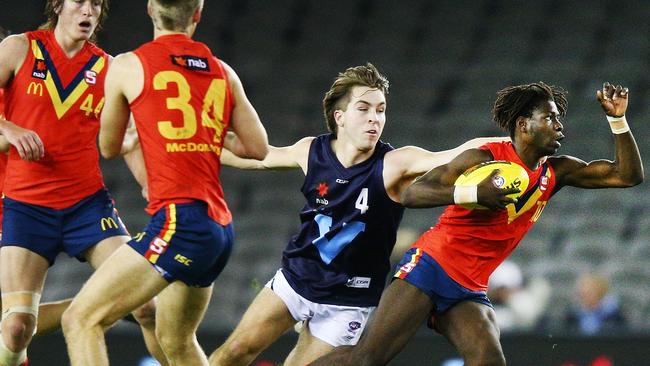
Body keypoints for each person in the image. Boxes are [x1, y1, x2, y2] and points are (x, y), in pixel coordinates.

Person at [309, 81, 643, 365]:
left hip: (470, 285)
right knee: (367, 359)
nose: (560, 127)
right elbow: (412, 193)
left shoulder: (557, 171)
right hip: (431, 266)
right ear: (524, 124)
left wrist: (618, 122)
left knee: (489, 361)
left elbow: (628, 176)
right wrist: (472, 192)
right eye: (551, 118)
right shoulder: (484, 157)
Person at [209, 63, 508, 366]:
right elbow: (259, 157)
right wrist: (194, 145)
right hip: (296, 279)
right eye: (363, 109)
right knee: (233, 353)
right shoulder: (311, 150)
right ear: (340, 117)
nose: (374, 118)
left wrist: (512, 146)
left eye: (380, 110)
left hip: (348, 302)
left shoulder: (395, 163)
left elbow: (455, 153)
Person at [60, 0, 269, 365]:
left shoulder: (128, 65)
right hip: (217, 229)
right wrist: (208, 133)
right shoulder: (222, 71)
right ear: (198, 15)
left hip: (178, 222)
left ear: (150, 9)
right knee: (175, 340)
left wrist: (132, 139)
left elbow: (109, 147)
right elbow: (257, 147)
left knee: (81, 319)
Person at [0, 2, 168, 365]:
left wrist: (149, 187)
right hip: (25, 207)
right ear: (58, 6)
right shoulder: (20, 48)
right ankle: (87, 308)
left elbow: (129, 138)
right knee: (16, 328)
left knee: (147, 306)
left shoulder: (109, 68)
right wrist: (8, 127)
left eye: (96, 3)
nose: (88, 10)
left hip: (87, 206)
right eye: (79, 1)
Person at [488, 260, 550, 332]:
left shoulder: (522, 303)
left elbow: (527, 317)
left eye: (505, 288)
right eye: (499, 289)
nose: (502, 293)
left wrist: (511, 299)